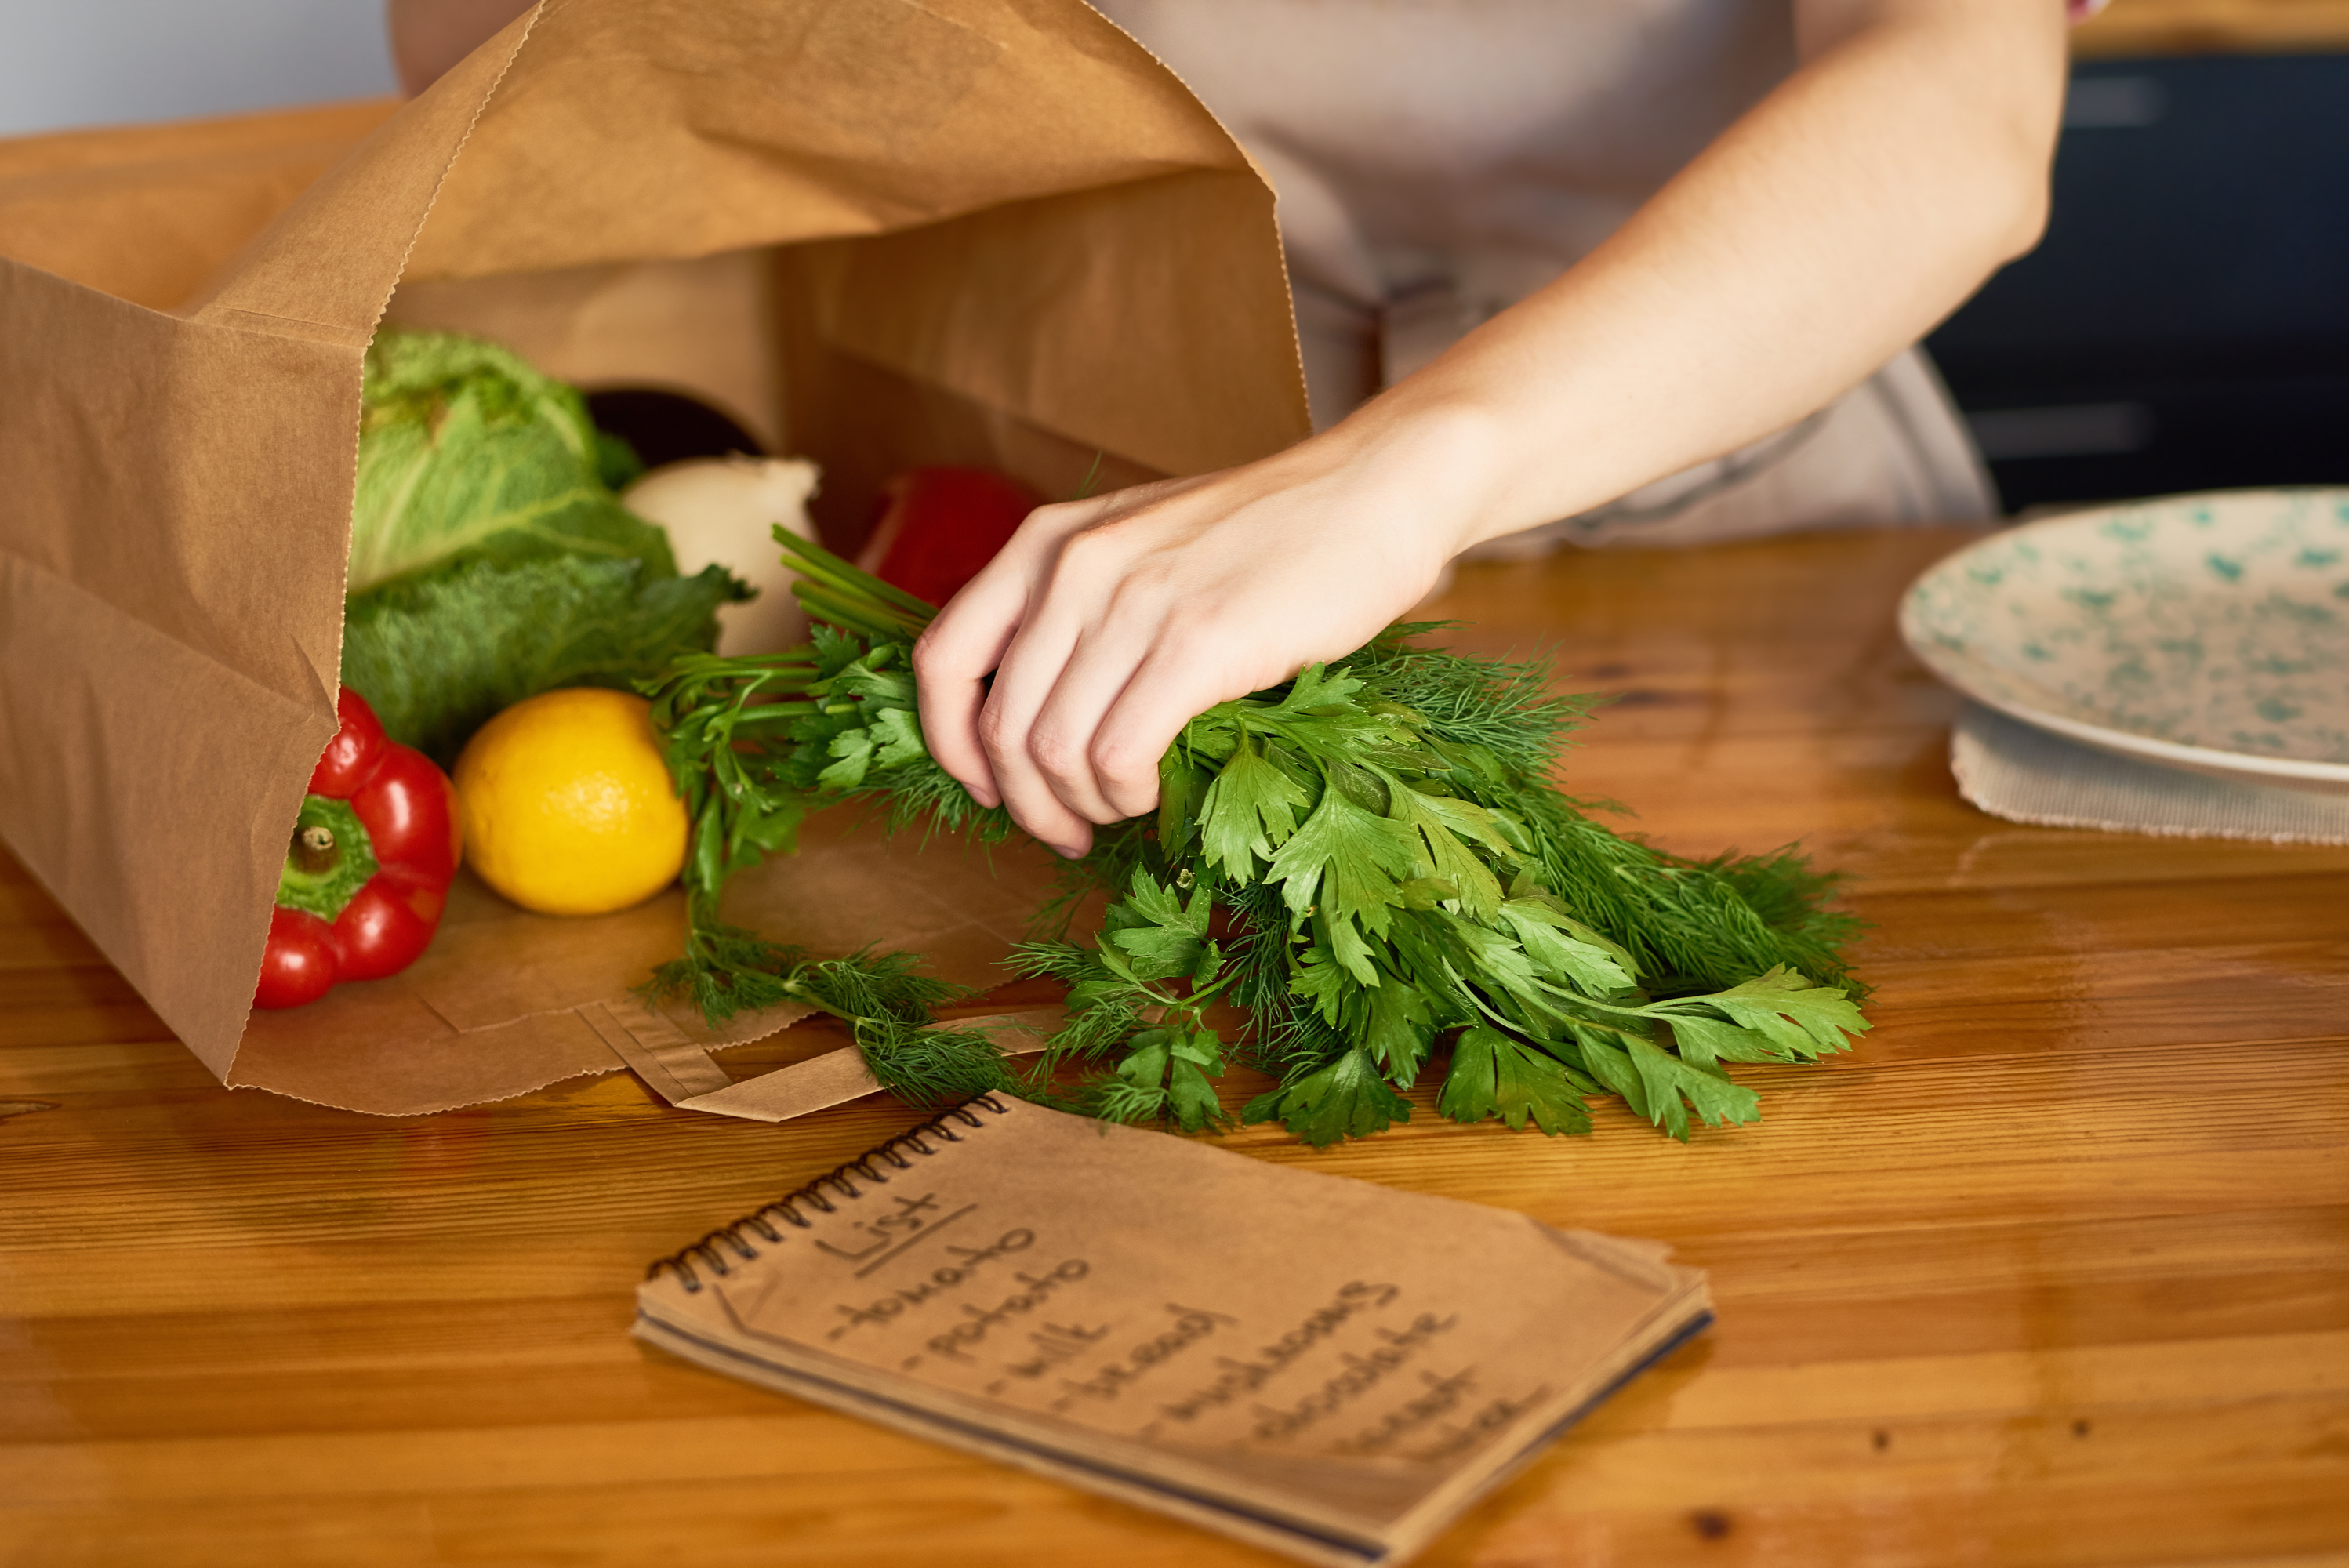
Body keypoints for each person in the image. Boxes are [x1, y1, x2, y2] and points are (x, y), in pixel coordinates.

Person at [390, 0, 2075, 859]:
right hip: (1104, 508)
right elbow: (490, 70)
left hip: (1731, 475)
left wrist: (1402, 476)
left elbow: (1959, 104)